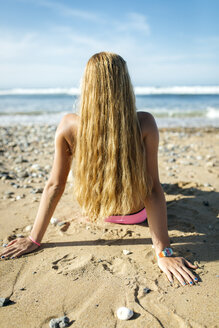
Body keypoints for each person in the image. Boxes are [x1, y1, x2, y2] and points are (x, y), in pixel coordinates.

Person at [0, 52, 198, 286]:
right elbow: (152, 189)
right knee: (155, 181)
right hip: (135, 214)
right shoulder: (144, 122)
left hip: (97, 209)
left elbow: (55, 185)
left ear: (87, 84)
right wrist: (163, 252)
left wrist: (35, 238)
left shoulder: (68, 125)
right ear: (125, 84)